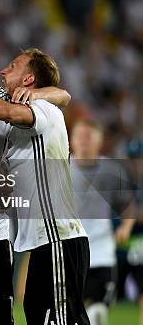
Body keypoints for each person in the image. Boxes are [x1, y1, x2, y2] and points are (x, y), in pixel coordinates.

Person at [0, 48, 90, 325]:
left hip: (58, 237)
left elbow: (13, 112)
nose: (2, 71)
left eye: (12, 66)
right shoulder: (19, 119)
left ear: (29, 79)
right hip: (42, 243)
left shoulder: (43, 108)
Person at [70, 119, 136, 325]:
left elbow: (128, 207)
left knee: (98, 309)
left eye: (89, 136)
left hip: (101, 251)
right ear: (71, 139)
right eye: (79, 135)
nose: (83, 141)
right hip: (70, 252)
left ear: (100, 141)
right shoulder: (61, 168)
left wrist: (125, 227)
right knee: (72, 312)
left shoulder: (111, 170)